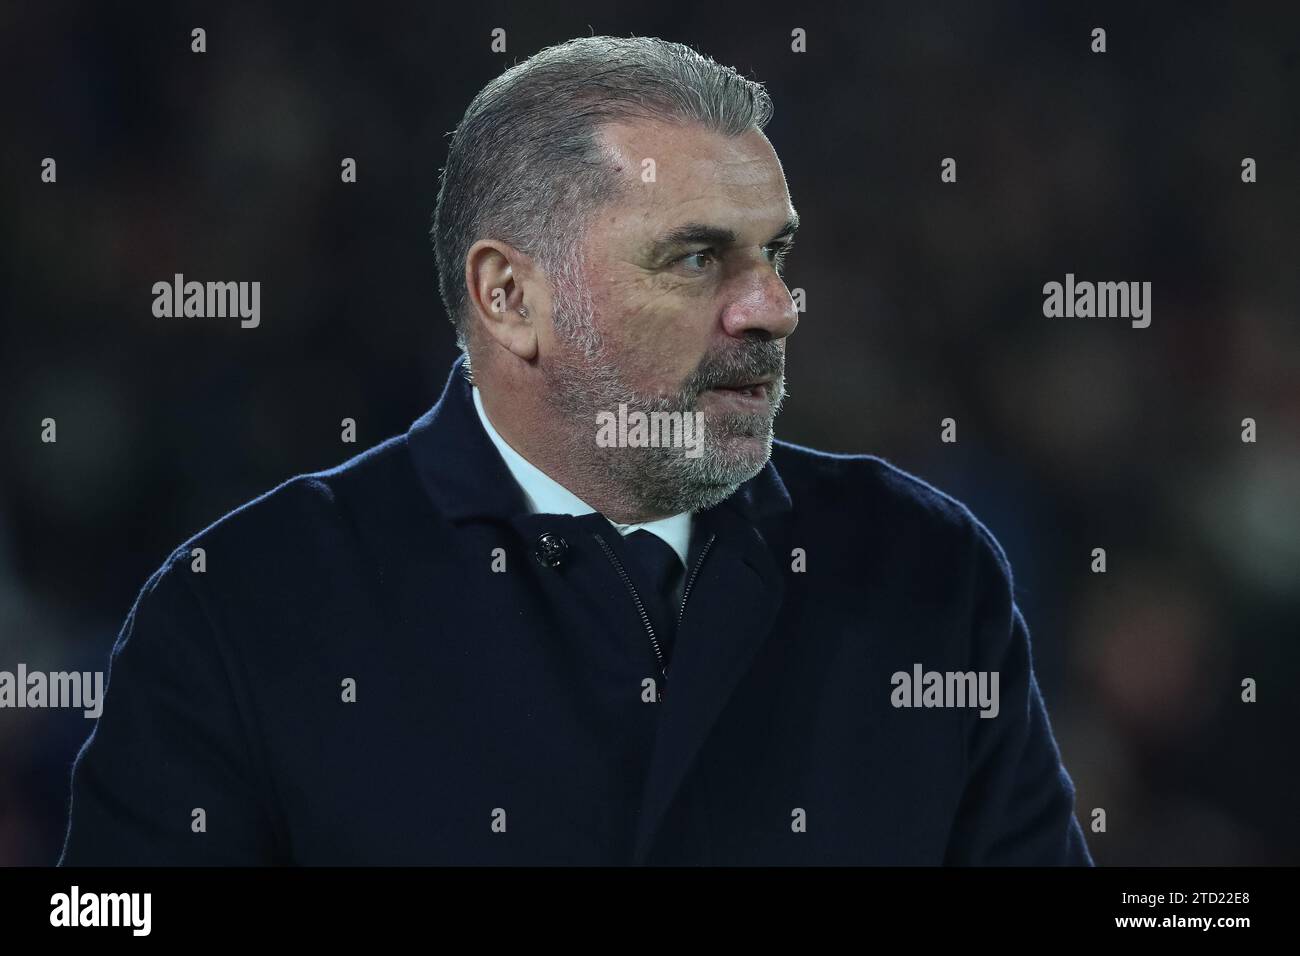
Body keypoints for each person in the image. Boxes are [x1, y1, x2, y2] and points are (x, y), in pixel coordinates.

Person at [59, 35, 1092, 865]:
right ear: (510, 297)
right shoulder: (240, 608)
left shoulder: (923, 568)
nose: (773, 308)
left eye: (774, 254)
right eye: (696, 257)